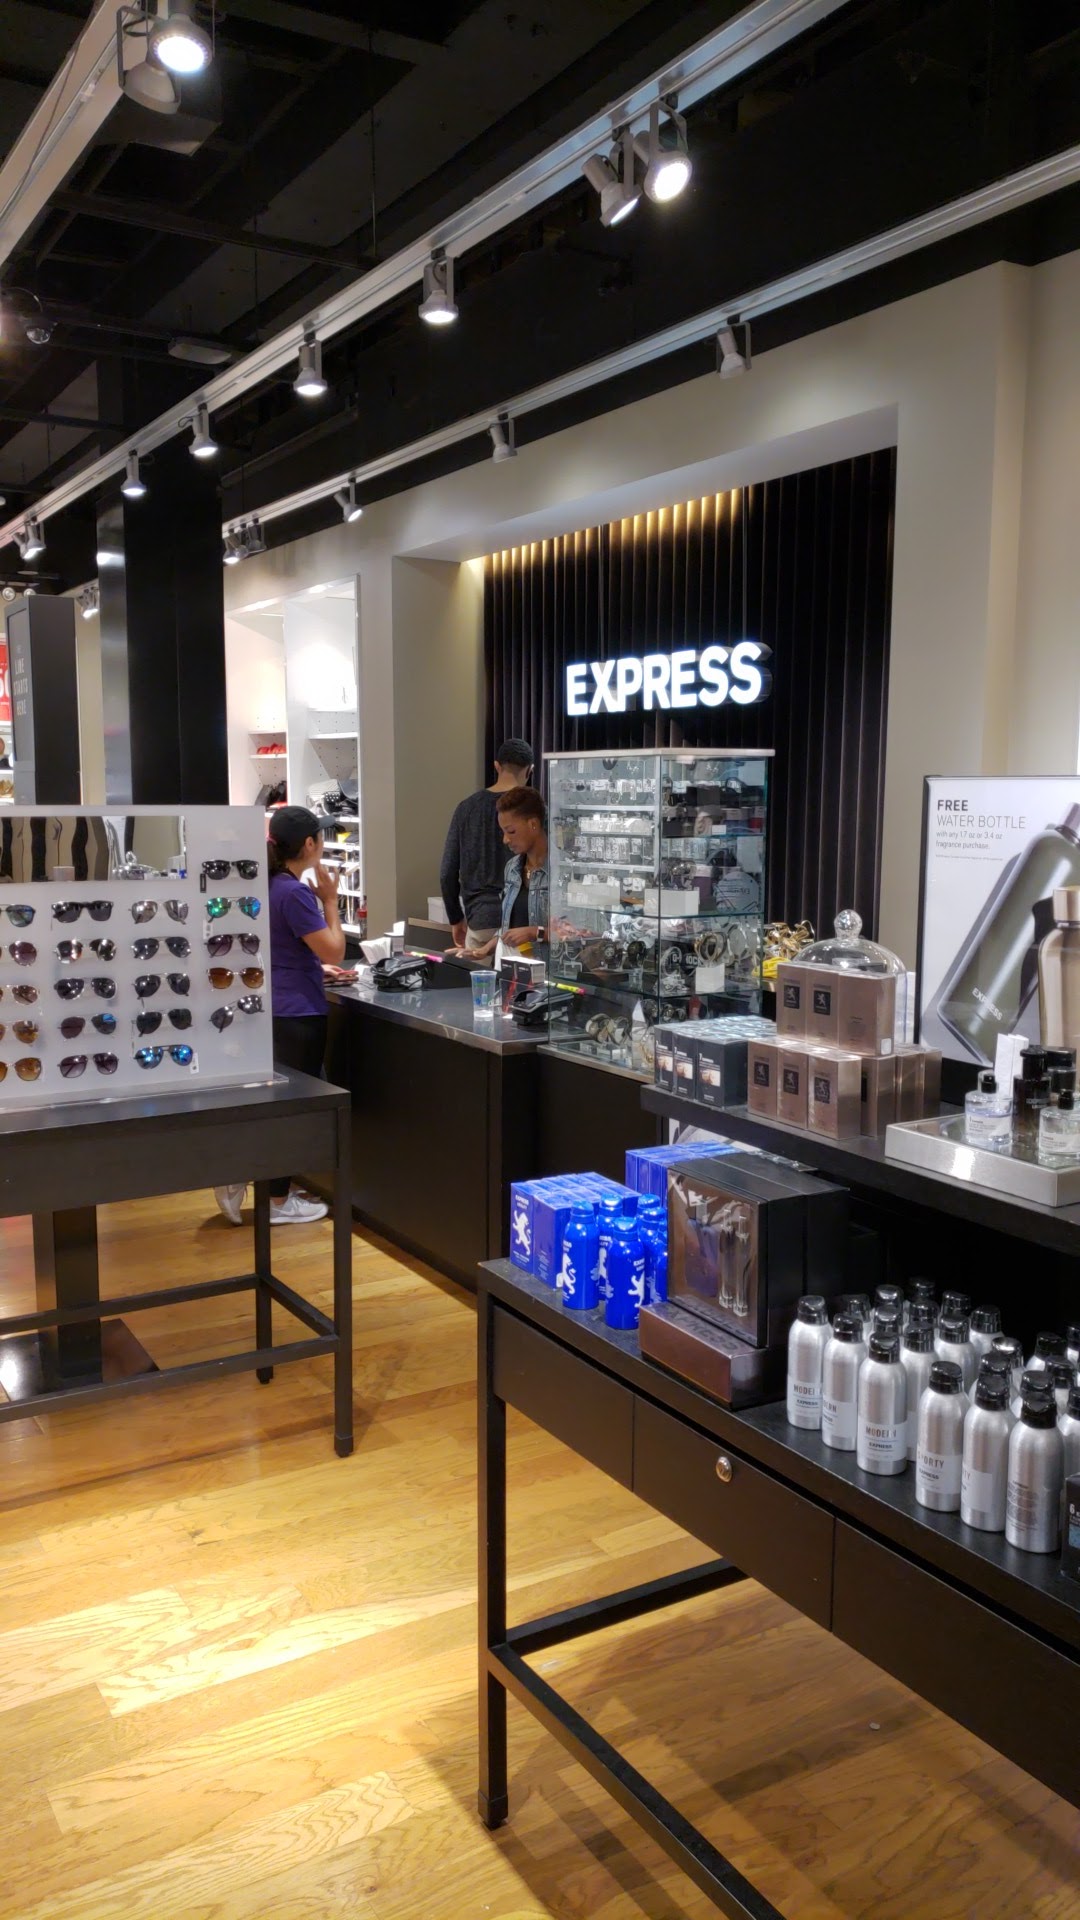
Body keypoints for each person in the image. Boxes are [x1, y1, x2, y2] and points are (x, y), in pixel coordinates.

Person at [215, 805, 346, 1228]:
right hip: (298, 1012)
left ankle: (249, 1176)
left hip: (271, 1006)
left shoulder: (266, 885)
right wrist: (331, 901)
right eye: (320, 837)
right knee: (291, 1110)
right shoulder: (294, 893)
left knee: (274, 1104)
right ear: (309, 844)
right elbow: (333, 948)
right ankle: (274, 1199)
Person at [439, 737, 533, 950]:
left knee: (477, 971)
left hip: (480, 919)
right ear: (529, 770)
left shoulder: (466, 808)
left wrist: (456, 918)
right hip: (521, 925)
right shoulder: (533, 811)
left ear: (497, 766)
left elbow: (447, 872)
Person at [470, 786, 549, 959]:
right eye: (503, 832)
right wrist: (484, 950)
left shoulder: (561, 872)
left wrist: (535, 932)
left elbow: (579, 933)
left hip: (546, 970)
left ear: (533, 824)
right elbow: (509, 928)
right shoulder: (512, 868)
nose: (505, 839)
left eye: (511, 831)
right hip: (512, 969)